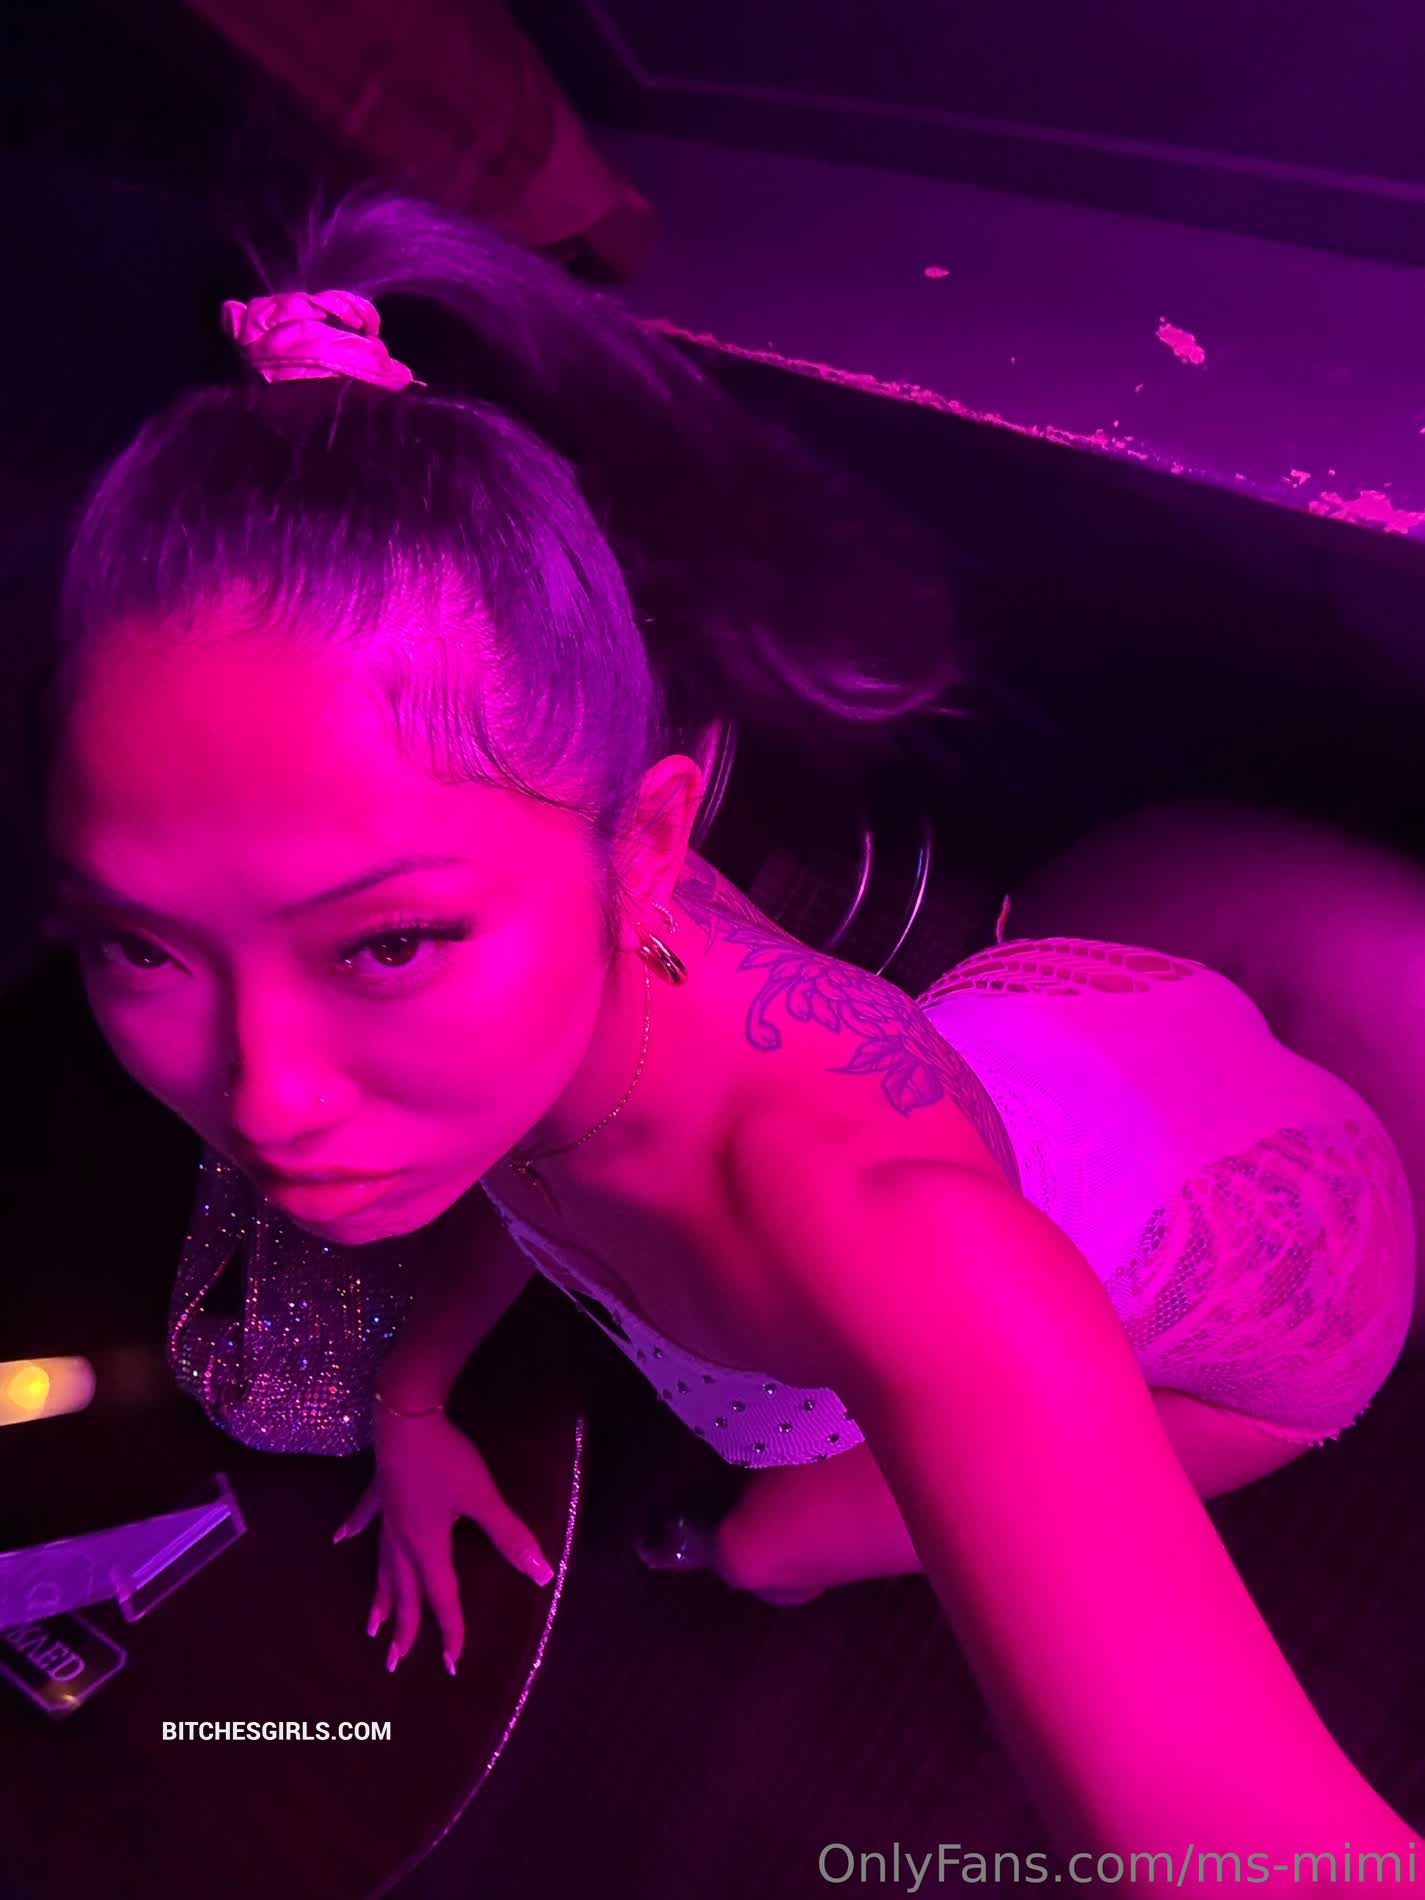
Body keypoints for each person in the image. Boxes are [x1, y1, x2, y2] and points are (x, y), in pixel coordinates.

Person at [39, 188, 1422, 1873]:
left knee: (762, 1554)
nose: (267, 1101)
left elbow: (1266, 1850)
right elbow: (527, 1180)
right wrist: (412, 1398)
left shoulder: (885, 1239)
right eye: (139, 945)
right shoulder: (532, 944)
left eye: (385, 943)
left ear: (644, 844)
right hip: (1112, 1021)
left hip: (1283, 1298)